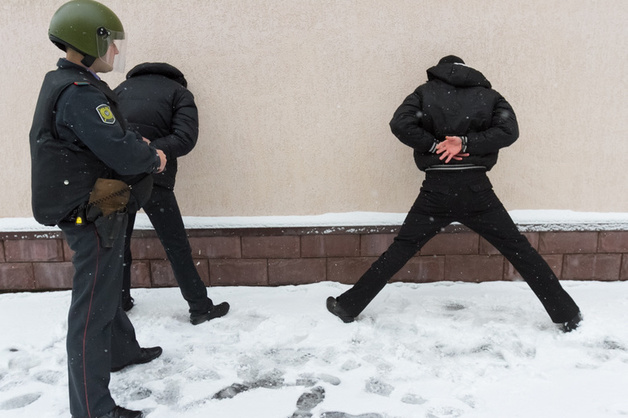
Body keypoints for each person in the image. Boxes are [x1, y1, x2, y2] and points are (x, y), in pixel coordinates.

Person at [326, 55, 583, 333]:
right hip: (477, 190)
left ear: (439, 71)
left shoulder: (424, 93)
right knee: (519, 250)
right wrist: (466, 143)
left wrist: (436, 145)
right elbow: (509, 131)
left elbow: (400, 123)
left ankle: (349, 306)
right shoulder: (489, 95)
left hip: (436, 189)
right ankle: (566, 313)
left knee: (400, 250)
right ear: (467, 70)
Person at [30, 1, 165, 417]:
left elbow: (102, 138)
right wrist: (152, 157)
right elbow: (119, 150)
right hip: (90, 212)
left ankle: (120, 352)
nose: (117, 53)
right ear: (93, 41)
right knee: (92, 310)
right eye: (113, 44)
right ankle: (93, 409)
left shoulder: (68, 83)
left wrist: (129, 144)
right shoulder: (79, 93)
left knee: (105, 290)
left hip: (96, 203)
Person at [113, 62, 230, 324]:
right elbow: (185, 138)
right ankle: (200, 307)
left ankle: (119, 301)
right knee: (175, 244)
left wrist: (130, 149)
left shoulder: (120, 89)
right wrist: (150, 150)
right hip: (155, 177)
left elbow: (107, 133)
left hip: (117, 176)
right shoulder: (179, 93)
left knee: (117, 243)